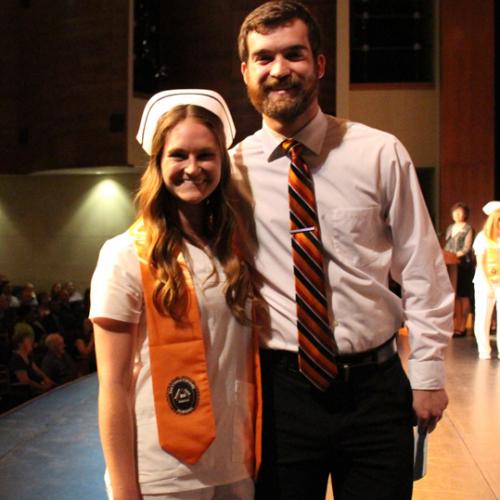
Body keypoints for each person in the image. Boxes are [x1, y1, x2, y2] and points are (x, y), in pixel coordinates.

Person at [232, 2, 453, 499]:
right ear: (246, 71)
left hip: (375, 392)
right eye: (264, 58)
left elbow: (421, 267)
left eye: (294, 54)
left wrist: (429, 373)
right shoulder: (232, 170)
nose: (280, 70)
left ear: (320, 64)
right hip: (281, 393)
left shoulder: (379, 152)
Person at [90, 90, 260, 500]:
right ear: (158, 164)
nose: (193, 168)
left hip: (235, 465)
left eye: (205, 155)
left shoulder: (236, 252)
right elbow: (114, 386)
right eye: (178, 155)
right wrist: (125, 490)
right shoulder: (125, 254)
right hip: (162, 474)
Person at [472, 201, 500, 360]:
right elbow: (480, 262)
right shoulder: (482, 237)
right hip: (484, 281)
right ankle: (484, 350)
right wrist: (489, 283)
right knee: (483, 316)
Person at [444, 202, 474, 337]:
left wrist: (455, 255)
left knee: (463, 295)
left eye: (460, 212)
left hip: (463, 265)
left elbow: (467, 248)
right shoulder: (450, 227)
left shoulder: (468, 228)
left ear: (465, 214)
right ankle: (455, 324)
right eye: (455, 212)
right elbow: (447, 245)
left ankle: (463, 325)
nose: (457, 214)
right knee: (454, 295)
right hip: (451, 265)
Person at [8, 330, 54, 395]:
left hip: (36, 387)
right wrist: (42, 387)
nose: (31, 343)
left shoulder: (28, 356)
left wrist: (46, 378)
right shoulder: (16, 359)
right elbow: (25, 381)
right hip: (24, 393)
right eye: (28, 341)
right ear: (20, 344)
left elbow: (36, 370)